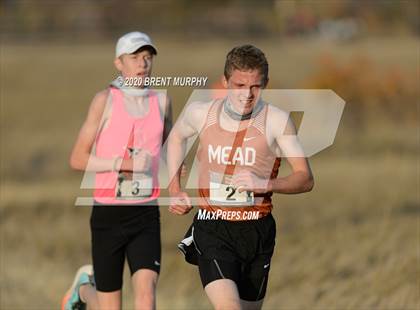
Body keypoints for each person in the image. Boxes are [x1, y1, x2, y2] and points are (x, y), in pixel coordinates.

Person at [168, 44, 314, 310]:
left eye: (255, 86)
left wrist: (264, 184)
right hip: (213, 226)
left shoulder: (277, 121)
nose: (247, 94)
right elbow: (177, 138)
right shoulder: (200, 113)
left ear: (265, 84)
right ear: (225, 82)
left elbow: (305, 178)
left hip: (257, 230)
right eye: (239, 85)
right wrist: (175, 187)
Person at [62, 31, 172, 310]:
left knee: (146, 297)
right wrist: (124, 164)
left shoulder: (162, 102)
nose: (143, 64)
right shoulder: (105, 101)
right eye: (134, 57)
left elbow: (171, 152)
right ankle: (84, 291)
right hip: (108, 213)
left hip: (146, 212)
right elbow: (76, 158)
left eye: (147, 57)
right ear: (119, 63)